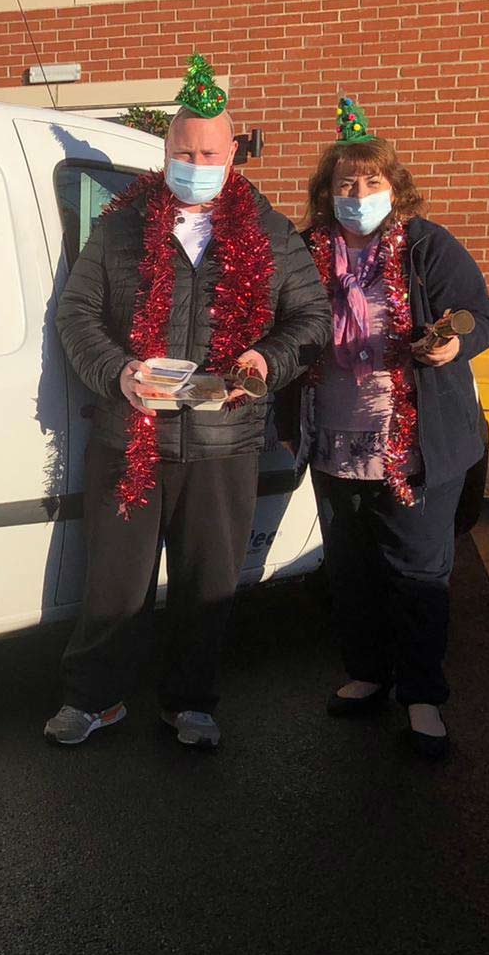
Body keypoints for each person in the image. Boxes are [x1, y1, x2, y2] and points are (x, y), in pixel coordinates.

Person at [46, 54, 330, 750]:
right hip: (130, 434)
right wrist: (118, 372)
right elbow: (76, 313)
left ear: (231, 154)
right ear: (165, 152)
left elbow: (312, 320)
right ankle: (94, 699)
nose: (195, 163)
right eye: (183, 151)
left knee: (208, 585)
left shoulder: (269, 231)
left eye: (208, 153)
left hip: (223, 442)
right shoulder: (120, 226)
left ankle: (191, 703)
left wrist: (265, 360)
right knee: (113, 585)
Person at [300, 98, 489, 760]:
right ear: (327, 190)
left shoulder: (428, 245)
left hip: (414, 443)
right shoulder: (308, 250)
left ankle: (421, 695)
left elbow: (479, 315)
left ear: (394, 186)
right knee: (351, 570)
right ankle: (368, 673)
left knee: (417, 573)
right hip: (335, 439)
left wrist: (454, 345)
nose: (357, 195)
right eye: (345, 183)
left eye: (371, 181)